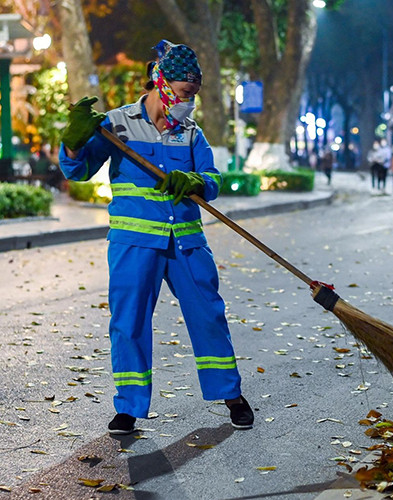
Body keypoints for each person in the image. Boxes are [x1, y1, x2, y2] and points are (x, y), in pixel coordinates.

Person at [58, 40, 254, 435]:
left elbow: (213, 179)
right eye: (185, 93)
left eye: (194, 95)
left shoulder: (190, 132)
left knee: (209, 315)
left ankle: (229, 394)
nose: (189, 102)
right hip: (133, 243)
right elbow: (76, 172)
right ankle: (128, 407)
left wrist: (197, 179)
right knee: (128, 323)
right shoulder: (116, 125)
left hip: (186, 242)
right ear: (162, 82)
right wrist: (73, 141)